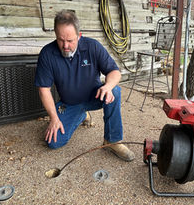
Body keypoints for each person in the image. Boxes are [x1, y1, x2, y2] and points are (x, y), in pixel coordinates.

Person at [35, 10, 135, 161]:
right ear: (55, 35)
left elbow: (114, 72)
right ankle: (82, 115)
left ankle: (112, 141)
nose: (65, 46)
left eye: (70, 40)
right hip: (70, 104)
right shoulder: (47, 54)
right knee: (53, 142)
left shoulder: (92, 46)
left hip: (94, 96)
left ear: (79, 35)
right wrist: (54, 118)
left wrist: (107, 86)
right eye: (61, 40)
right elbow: (44, 90)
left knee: (115, 90)